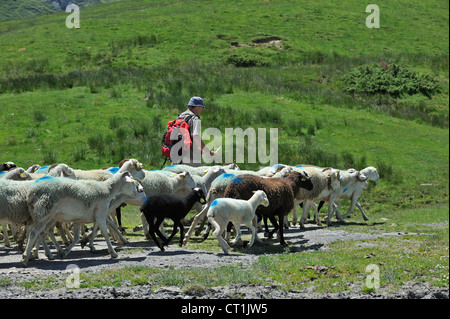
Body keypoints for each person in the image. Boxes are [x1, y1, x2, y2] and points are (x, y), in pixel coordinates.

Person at [175, 96, 217, 166]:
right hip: (191, 160)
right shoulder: (195, 119)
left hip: (176, 158)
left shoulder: (180, 117)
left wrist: (200, 150)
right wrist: (208, 152)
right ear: (197, 107)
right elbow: (195, 136)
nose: (201, 110)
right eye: (201, 108)